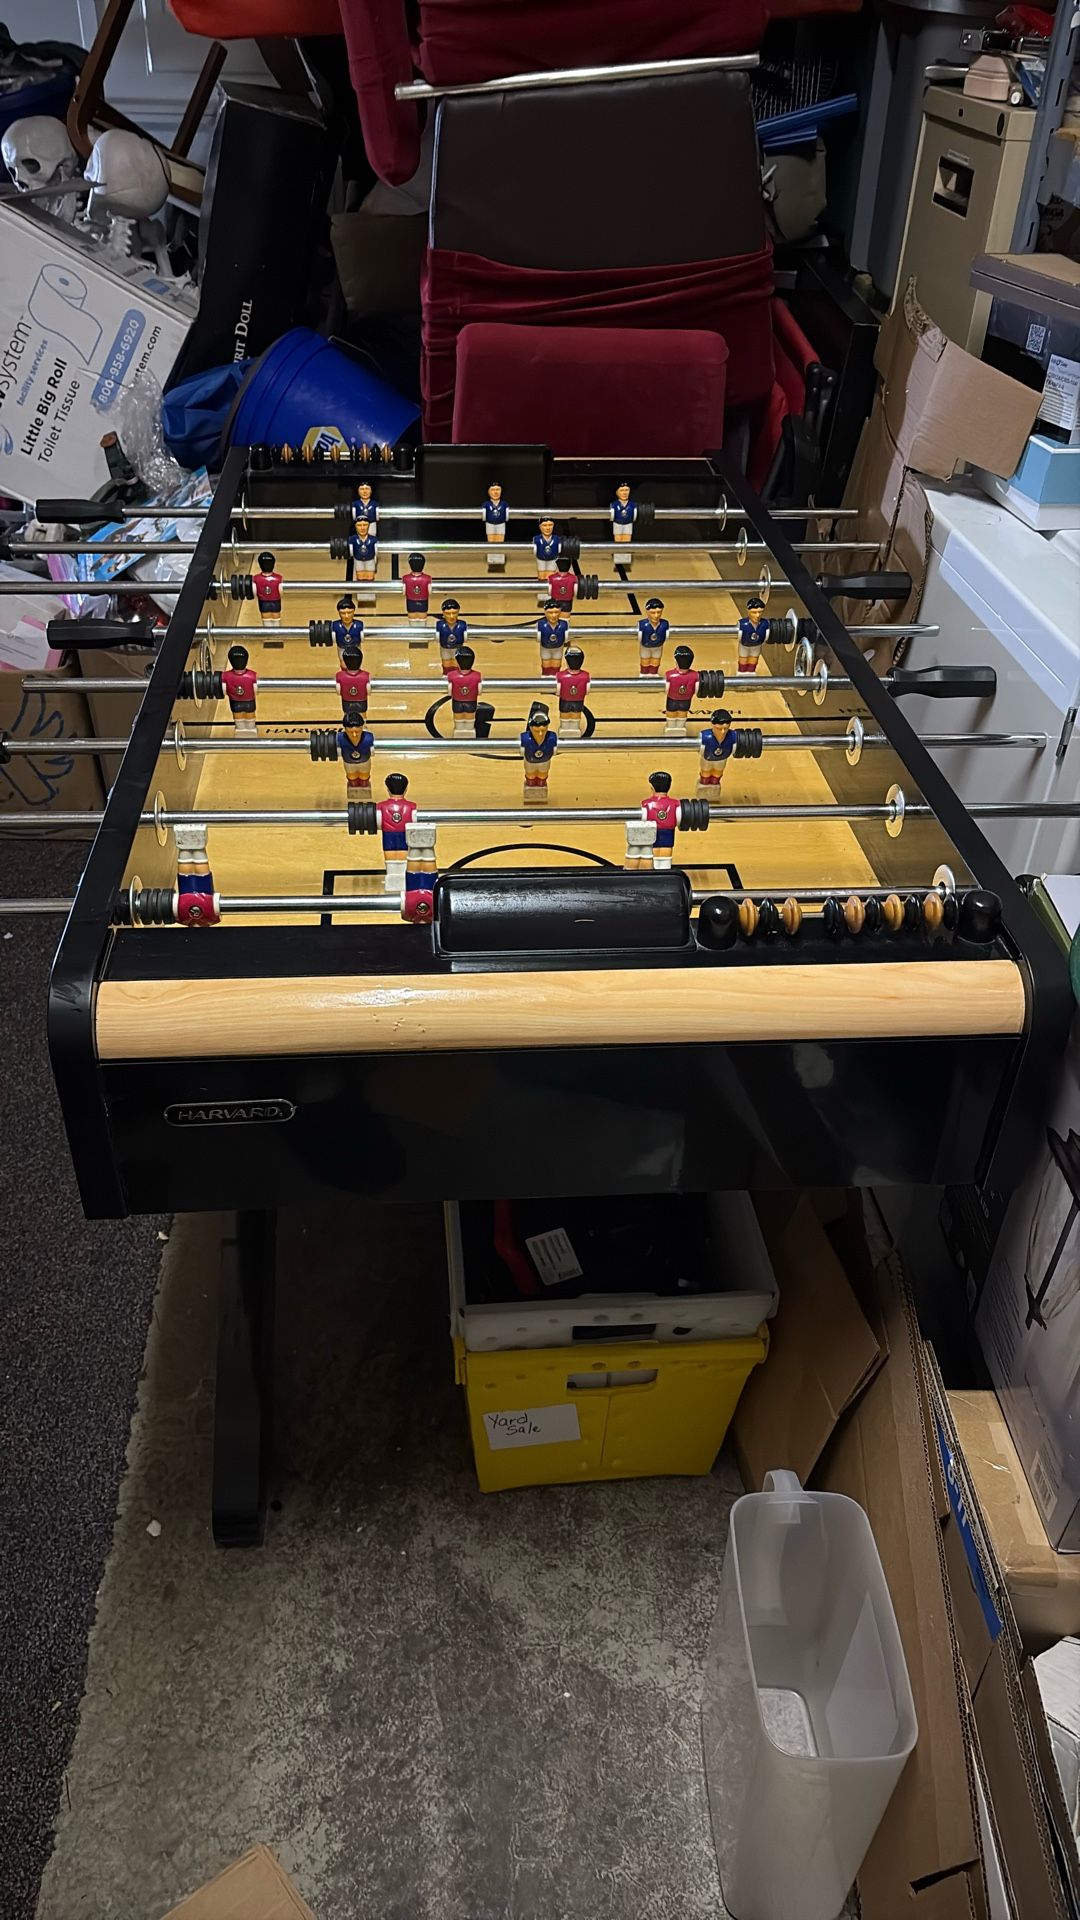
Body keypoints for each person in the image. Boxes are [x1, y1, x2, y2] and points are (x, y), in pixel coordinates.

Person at [376, 772, 416, 894]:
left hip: (388, 835)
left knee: (390, 858)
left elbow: (378, 822)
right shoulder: (411, 806)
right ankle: (403, 880)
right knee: (404, 858)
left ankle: (392, 880)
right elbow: (414, 821)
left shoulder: (381, 806)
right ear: (406, 789)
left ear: (387, 789)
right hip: (405, 835)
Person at [641, 771, 679, 870]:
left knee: (653, 850)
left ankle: (654, 870)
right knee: (666, 850)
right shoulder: (675, 804)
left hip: (651, 831)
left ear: (652, 788)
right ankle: (665, 869)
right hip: (668, 832)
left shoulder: (646, 804)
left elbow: (643, 818)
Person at [520, 703, 557, 803]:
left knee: (542, 777)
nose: (540, 734)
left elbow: (554, 750)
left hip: (544, 762)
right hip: (530, 762)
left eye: (543, 730)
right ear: (531, 727)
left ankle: (541, 786)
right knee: (530, 776)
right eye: (537, 731)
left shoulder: (552, 738)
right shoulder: (525, 738)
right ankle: (530, 786)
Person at [221, 644, 258, 737]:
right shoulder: (252, 675)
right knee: (250, 715)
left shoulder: (225, 676)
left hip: (235, 702)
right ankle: (251, 729)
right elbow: (255, 689)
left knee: (238, 716)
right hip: (249, 701)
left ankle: (240, 730)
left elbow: (224, 689)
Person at [337, 705, 375, 794]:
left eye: (357, 731)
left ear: (362, 728)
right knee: (352, 778)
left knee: (364, 777)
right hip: (349, 763)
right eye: (351, 732)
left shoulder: (368, 738)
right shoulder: (340, 738)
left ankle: (364, 788)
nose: (354, 735)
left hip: (364, 762)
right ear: (345, 729)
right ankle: (353, 788)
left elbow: (372, 750)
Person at [446, 646, 482, 737]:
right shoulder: (477, 676)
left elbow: (449, 690)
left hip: (457, 702)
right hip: (471, 702)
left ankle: (459, 730)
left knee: (458, 717)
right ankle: (469, 730)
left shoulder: (451, 676)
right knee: (470, 717)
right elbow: (479, 690)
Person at [698, 709, 735, 797]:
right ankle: (704, 787)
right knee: (705, 774)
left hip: (721, 760)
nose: (723, 732)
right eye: (719, 728)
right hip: (707, 759)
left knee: (717, 775)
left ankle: (714, 789)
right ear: (713, 725)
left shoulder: (733, 736)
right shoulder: (704, 736)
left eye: (726, 728)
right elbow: (700, 750)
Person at [664, 645, 699, 735]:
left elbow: (666, 689)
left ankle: (671, 728)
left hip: (672, 699)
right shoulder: (695, 676)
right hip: (686, 700)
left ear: (676, 661)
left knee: (671, 713)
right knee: (683, 713)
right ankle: (680, 728)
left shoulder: (669, 675)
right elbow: (696, 690)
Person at [555, 645, 590, 734]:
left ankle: (564, 729)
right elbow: (587, 689)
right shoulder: (585, 676)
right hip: (578, 701)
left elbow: (558, 690)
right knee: (576, 715)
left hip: (564, 700)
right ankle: (575, 729)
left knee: (565, 715)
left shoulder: (560, 676)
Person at [738, 596, 770, 674]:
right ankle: (742, 671)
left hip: (757, 645)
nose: (758, 615)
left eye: (760, 612)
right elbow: (739, 636)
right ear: (748, 611)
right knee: (743, 658)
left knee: (754, 658)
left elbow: (767, 636)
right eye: (754, 612)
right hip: (744, 645)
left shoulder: (765, 624)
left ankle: (751, 671)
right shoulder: (742, 624)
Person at [637, 597, 669, 675]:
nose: (656, 615)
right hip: (645, 647)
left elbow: (666, 637)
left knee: (656, 660)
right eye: (653, 613)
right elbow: (639, 637)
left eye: (659, 612)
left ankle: (654, 673)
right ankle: (644, 673)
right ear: (647, 612)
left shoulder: (665, 624)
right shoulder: (642, 624)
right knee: (645, 659)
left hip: (658, 647)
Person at [536, 602, 570, 675]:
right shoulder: (540, 624)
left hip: (558, 648)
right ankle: (545, 676)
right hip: (545, 648)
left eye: (556, 612)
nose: (554, 615)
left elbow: (567, 637)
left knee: (556, 664)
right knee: (546, 663)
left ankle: (555, 676)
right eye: (550, 613)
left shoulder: (564, 624)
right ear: (545, 612)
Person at [335, 646, 369, 715]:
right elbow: (368, 690)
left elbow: (338, 690)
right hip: (362, 702)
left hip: (346, 702)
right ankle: (363, 722)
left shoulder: (339, 676)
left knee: (347, 715)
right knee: (362, 715)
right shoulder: (366, 676)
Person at [436, 599, 468, 670]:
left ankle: (455, 674)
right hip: (445, 648)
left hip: (457, 648)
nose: (451, 616)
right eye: (448, 613)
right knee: (446, 662)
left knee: (456, 662)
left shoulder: (462, 625)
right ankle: (446, 674)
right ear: (443, 613)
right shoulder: (440, 625)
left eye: (454, 613)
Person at [253, 550, 282, 626]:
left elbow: (254, 591)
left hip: (263, 602)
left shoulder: (256, 578)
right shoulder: (278, 578)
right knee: (276, 617)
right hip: (275, 601)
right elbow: (281, 591)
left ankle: (268, 631)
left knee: (266, 617)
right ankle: (277, 631)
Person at [483, 481, 507, 569]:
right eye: (493, 490)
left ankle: (500, 560)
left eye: (498, 490)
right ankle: (491, 560)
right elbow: (483, 515)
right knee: (491, 540)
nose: (495, 492)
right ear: (489, 492)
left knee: (500, 540)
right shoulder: (486, 504)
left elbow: (507, 515)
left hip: (501, 524)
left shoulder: (504, 504)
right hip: (490, 524)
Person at [403, 551, 431, 620]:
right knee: (423, 618)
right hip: (423, 602)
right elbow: (430, 591)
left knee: (411, 618)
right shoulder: (427, 578)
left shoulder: (406, 578)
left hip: (411, 601)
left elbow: (403, 591)